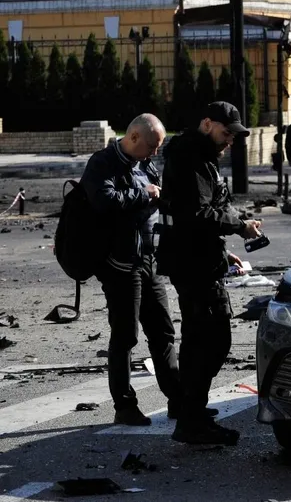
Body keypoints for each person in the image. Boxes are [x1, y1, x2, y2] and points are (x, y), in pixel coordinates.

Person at [156, 102, 262, 446]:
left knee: (199, 340)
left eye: (233, 135)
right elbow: (199, 214)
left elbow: (209, 209)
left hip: (196, 256)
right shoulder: (191, 158)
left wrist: (233, 229)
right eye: (225, 132)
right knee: (214, 340)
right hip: (193, 262)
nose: (229, 140)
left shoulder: (199, 156)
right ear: (206, 124)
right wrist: (239, 226)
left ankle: (190, 411)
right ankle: (190, 418)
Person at [81, 113, 181, 426]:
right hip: (120, 264)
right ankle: (124, 406)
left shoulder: (145, 163)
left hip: (148, 260)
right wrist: (146, 194)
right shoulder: (103, 163)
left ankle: (179, 401)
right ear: (134, 137)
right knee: (125, 336)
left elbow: (157, 197)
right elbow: (103, 201)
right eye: (151, 146)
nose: (154, 153)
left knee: (163, 332)